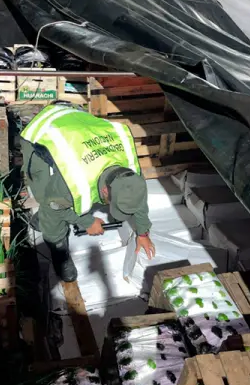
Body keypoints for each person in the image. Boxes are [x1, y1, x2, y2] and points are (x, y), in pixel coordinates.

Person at [19, 102, 156, 282]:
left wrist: (143, 233)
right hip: (41, 131)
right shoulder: (74, 180)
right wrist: (87, 221)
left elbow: (138, 201)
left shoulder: (131, 171)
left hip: (78, 123)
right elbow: (54, 204)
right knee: (48, 200)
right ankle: (59, 252)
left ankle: (43, 219)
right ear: (105, 190)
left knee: (67, 201)